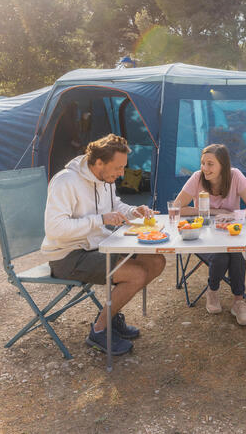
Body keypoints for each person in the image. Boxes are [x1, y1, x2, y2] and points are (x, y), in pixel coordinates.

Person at [42, 134, 166, 355]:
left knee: (156, 261)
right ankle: (99, 331)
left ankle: (112, 317)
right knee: (136, 274)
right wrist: (100, 220)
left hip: (98, 247)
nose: (121, 173)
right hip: (68, 255)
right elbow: (55, 228)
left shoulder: (104, 180)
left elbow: (114, 204)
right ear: (99, 162)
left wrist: (133, 211)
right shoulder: (65, 182)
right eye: (118, 168)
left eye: (123, 168)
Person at [171, 143, 246, 325]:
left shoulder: (235, 176)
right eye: (203, 163)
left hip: (229, 233)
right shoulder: (197, 178)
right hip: (202, 236)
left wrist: (233, 215)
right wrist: (210, 211)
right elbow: (175, 208)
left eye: (210, 164)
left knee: (235, 253)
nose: (205, 168)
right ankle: (212, 292)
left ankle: (238, 302)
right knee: (222, 255)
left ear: (223, 165)